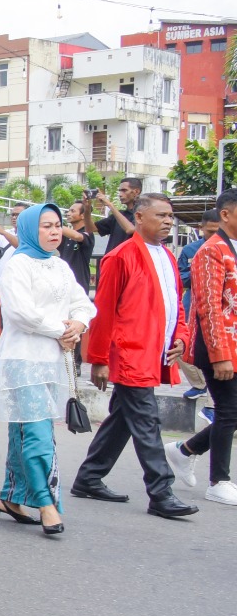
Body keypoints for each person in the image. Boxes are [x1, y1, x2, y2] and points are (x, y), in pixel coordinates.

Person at [70, 194, 198, 518]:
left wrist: (182, 337)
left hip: (156, 351)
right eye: (161, 215)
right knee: (146, 419)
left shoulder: (168, 256)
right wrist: (98, 359)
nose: (169, 221)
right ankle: (161, 492)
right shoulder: (120, 257)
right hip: (130, 353)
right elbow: (104, 312)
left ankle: (88, 477)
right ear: (139, 217)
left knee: (125, 419)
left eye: (171, 216)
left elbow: (175, 305)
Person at [0, 203, 96, 534]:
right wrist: (62, 330)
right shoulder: (16, 265)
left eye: (57, 225)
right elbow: (21, 313)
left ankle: (10, 496)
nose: (54, 232)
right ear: (28, 230)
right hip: (22, 359)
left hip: (52, 360)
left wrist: (78, 324)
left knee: (24, 431)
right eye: (46, 226)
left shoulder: (60, 266)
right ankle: (47, 503)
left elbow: (83, 302)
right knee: (36, 433)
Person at [166, 188, 237, 505]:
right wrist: (221, 357)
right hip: (217, 347)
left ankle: (184, 450)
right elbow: (207, 306)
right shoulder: (212, 250)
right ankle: (219, 480)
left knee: (232, 413)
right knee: (228, 412)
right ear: (226, 214)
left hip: (233, 345)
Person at [176, 210, 220, 399]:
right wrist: (203, 271)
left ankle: (215, 396)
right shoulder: (190, 251)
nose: (215, 236)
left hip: (222, 310)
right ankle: (199, 384)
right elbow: (180, 278)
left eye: (219, 231)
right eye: (210, 231)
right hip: (193, 306)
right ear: (201, 228)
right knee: (179, 345)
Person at [58, 199, 98, 294]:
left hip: (79, 285)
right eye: (68, 211)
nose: (68, 213)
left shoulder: (87, 232)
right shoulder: (66, 235)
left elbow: (77, 236)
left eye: (72, 211)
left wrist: (54, 224)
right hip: (63, 284)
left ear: (83, 215)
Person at [94, 177, 142, 255]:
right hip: (112, 262)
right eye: (119, 191)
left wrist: (110, 205)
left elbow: (130, 230)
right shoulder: (119, 214)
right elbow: (91, 228)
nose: (120, 195)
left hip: (129, 263)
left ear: (136, 191)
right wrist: (87, 208)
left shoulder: (143, 214)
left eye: (124, 190)